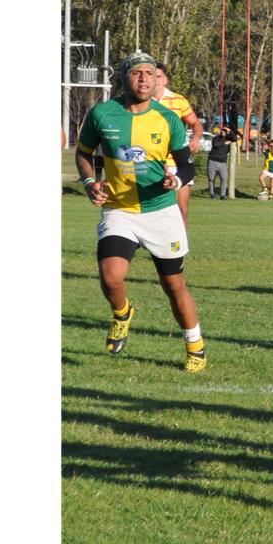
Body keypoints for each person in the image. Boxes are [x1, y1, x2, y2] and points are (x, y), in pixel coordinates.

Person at [73, 52, 208, 372]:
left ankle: (195, 346)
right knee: (110, 276)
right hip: (120, 209)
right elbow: (83, 153)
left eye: (150, 73)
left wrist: (174, 179)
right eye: (137, 73)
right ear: (125, 78)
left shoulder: (167, 118)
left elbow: (188, 167)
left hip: (161, 212)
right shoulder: (102, 114)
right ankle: (122, 313)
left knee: (173, 285)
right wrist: (90, 181)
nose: (144, 78)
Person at [152, 63, 204, 225]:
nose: (156, 80)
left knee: (181, 208)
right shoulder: (141, 102)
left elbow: (196, 123)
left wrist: (195, 138)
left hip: (178, 161)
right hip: (154, 161)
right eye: (153, 76)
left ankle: (180, 246)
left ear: (165, 79)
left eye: (159, 76)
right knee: (155, 209)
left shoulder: (178, 100)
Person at [206, 126, 234, 200]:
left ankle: (223, 195)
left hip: (222, 163)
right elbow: (215, 144)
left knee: (224, 179)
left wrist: (230, 130)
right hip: (212, 161)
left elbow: (234, 138)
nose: (223, 132)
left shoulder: (229, 139)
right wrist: (225, 143)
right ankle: (212, 194)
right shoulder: (216, 138)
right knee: (211, 179)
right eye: (222, 131)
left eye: (225, 131)